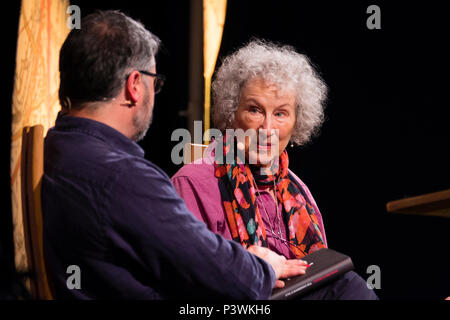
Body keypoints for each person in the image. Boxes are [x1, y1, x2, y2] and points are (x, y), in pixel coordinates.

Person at [42, 10, 307, 299]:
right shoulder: (123, 176)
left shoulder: (60, 147)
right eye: (154, 82)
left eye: (281, 113)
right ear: (134, 86)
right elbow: (216, 273)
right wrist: (262, 266)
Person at [172, 40, 378, 300]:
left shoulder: (299, 192)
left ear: (296, 123)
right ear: (232, 114)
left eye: (280, 114)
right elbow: (182, 282)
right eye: (255, 110)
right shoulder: (194, 183)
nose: (267, 128)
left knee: (349, 286)